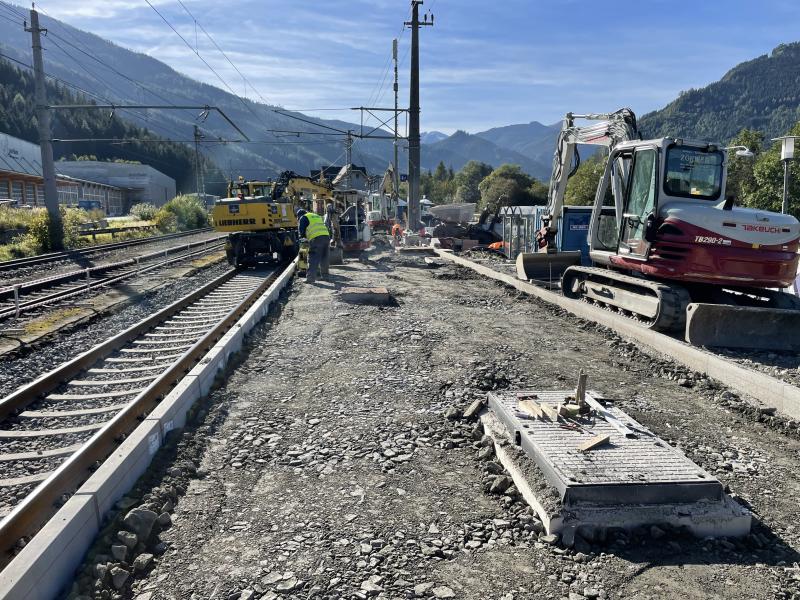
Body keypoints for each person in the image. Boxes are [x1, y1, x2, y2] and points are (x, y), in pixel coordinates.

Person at [296, 208, 331, 283]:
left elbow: (301, 232)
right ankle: (326, 276)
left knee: (313, 258)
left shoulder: (303, 218)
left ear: (299, 216)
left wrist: (302, 240)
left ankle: (310, 278)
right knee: (324, 257)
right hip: (326, 236)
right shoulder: (316, 216)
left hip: (316, 238)